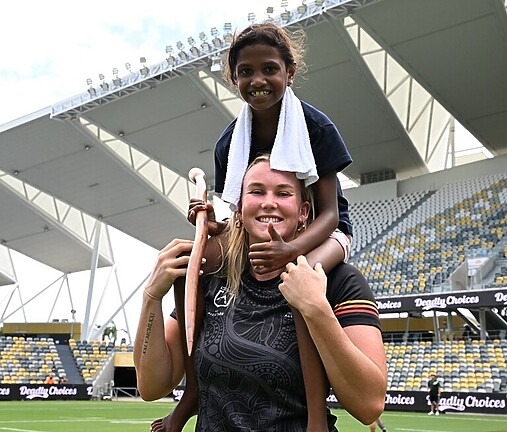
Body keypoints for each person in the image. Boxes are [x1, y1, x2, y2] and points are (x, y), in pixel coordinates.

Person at [153, 21, 355, 432]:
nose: (257, 80)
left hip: (322, 230)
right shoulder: (230, 142)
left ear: (289, 73)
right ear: (233, 77)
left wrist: (289, 252)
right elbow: (243, 210)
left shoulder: (317, 128)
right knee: (192, 264)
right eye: (245, 71)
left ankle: (315, 413)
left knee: (299, 283)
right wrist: (209, 222)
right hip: (265, 232)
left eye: (269, 69)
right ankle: (192, 392)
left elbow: (331, 213)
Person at [135, 155, 387, 431]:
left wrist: (316, 308)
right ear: (240, 209)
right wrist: (152, 297)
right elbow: (151, 387)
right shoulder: (213, 278)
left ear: (303, 211)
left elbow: (368, 405)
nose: (269, 202)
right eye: (256, 191)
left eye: (283, 193)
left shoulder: (340, 280)